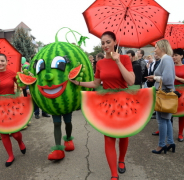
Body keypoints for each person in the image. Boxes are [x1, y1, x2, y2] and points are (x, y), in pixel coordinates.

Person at [70, 31, 135, 180]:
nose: (105, 45)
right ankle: (114, 174)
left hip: (124, 101)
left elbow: (131, 81)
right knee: (109, 137)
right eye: (103, 43)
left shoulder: (124, 58)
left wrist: (118, 61)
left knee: (124, 135)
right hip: (107, 102)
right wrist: (78, 83)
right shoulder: (99, 63)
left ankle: (121, 160)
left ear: (114, 42)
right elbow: (95, 83)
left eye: (108, 42)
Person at [0, 53, 26, 167]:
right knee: (3, 133)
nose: (0, 63)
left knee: (16, 133)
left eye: (2, 61)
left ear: (7, 62)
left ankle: (20, 142)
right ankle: (10, 156)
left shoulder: (12, 73)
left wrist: (24, 78)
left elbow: (22, 87)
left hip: (12, 105)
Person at [146, 39, 176, 154]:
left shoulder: (166, 59)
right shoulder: (166, 59)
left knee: (162, 121)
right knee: (167, 120)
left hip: (164, 95)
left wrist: (155, 78)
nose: (155, 49)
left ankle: (161, 145)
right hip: (165, 94)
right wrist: (154, 77)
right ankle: (170, 142)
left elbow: (168, 80)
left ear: (162, 48)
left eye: (156, 47)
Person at [173, 48, 184, 142]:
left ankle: (180, 133)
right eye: (173, 55)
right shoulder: (170, 66)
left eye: (176, 55)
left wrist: (177, 78)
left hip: (182, 92)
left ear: (181, 56)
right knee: (167, 111)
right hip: (172, 91)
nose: (174, 57)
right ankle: (163, 130)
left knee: (182, 114)